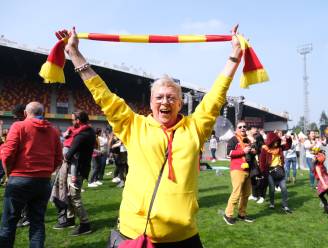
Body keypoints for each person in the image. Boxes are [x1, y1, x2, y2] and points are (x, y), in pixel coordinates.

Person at [56, 24, 243, 247]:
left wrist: (234, 57)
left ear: (180, 102)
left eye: (172, 97)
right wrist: (75, 54)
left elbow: (215, 97)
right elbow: (103, 95)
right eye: (160, 97)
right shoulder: (134, 125)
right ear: (151, 102)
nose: (165, 102)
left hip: (183, 236)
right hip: (135, 234)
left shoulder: (195, 127)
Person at [0, 102, 63, 248]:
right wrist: (46, 171)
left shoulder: (18, 126)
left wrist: (9, 173)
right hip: (43, 181)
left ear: (25, 113)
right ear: (43, 113)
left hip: (19, 179)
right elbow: (58, 159)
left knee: (9, 223)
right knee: (37, 222)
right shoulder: (54, 131)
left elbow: (7, 155)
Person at [63, 111, 96, 236]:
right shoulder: (89, 132)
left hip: (77, 170)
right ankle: (70, 219)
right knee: (70, 195)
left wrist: (65, 154)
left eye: (73, 119)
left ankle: (85, 224)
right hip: (81, 168)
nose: (72, 122)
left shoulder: (82, 135)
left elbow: (69, 154)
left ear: (78, 120)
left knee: (74, 197)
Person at [223, 121, 256, 225]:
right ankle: (228, 214)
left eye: (244, 127)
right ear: (236, 129)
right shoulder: (233, 139)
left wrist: (252, 151)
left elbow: (250, 153)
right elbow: (229, 153)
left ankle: (242, 214)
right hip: (237, 169)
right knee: (236, 193)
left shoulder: (247, 140)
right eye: (240, 127)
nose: (242, 128)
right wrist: (243, 151)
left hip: (248, 170)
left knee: (246, 194)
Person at [259, 132, 292, 213]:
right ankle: (272, 203)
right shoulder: (265, 149)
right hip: (270, 172)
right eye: (275, 142)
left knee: (284, 188)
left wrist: (288, 139)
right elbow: (262, 162)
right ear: (270, 141)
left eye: (277, 141)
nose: (276, 143)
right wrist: (263, 173)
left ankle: (285, 205)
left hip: (280, 171)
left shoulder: (280, 148)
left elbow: (288, 146)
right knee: (272, 189)